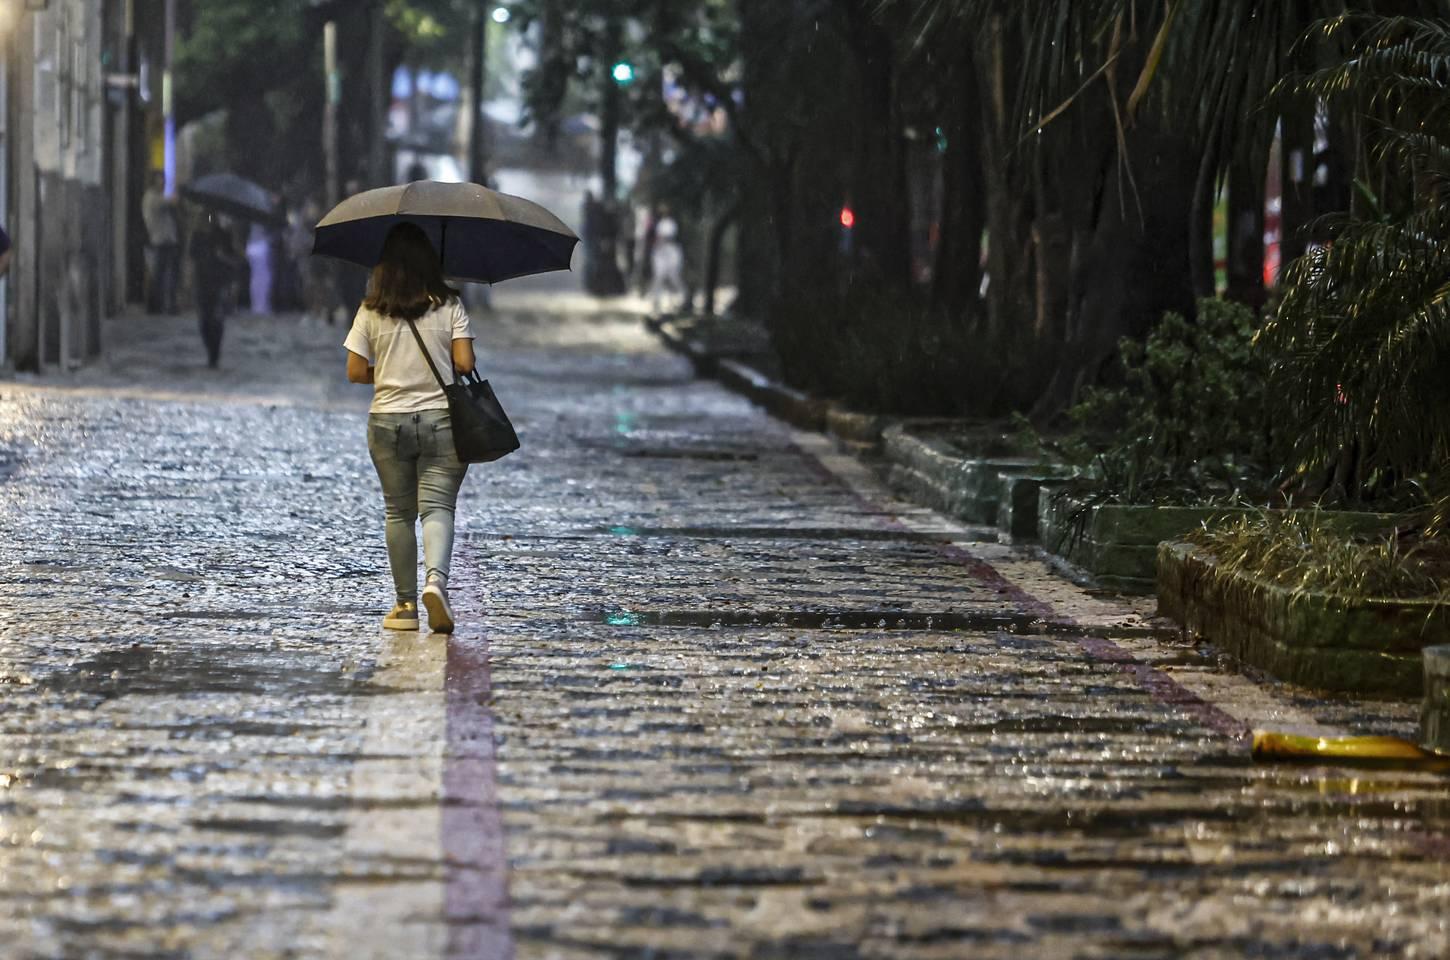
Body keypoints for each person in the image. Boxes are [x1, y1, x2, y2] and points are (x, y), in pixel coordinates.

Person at [343, 223, 476, 634]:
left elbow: (353, 371)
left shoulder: (370, 310)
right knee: (437, 507)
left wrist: (388, 371)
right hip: (441, 419)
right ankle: (435, 582)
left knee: (398, 512)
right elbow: (465, 364)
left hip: (387, 420)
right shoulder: (449, 304)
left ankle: (404, 606)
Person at [189, 215, 242, 368]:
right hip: (202, 280)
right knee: (204, 320)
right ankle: (210, 349)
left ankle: (215, 354)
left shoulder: (225, 235)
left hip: (220, 281)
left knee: (217, 319)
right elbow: (192, 258)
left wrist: (223, 256)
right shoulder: (197, 236)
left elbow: (235, 259)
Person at [142, 171, 180, 314]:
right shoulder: (151, 197)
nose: (163, 183)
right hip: (160, 241)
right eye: (160, 179)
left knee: (164, 275)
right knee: (159, 276)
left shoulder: (157, 197)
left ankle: (163, 305)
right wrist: (177, 189)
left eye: (164, 179)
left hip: (166, 240)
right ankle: (155, 306)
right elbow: (173, 201)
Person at [650, 204, 685, 315]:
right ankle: (656, 304)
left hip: (670, 252)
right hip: (660, 252)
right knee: (658, 278)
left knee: (673, 278)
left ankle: (680, 300)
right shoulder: (658, 223)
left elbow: (667, 237)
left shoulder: (671, 224)